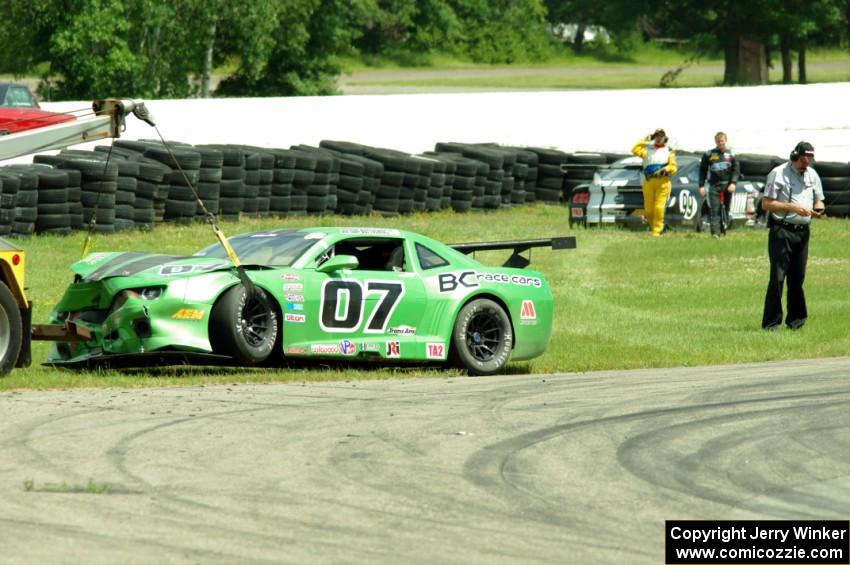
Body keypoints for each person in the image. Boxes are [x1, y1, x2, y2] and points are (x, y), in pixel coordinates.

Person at [761, 141, 825, 330]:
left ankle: (796, 322)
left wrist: (819, 209)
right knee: (778, 277)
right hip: (782, 230)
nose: (807, 164)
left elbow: (819, 199)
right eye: (804, 160)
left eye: (809, 160)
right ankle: (771, 323)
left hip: (803, 232)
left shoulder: (812, 174)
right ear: (794, 156)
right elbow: (766, 203)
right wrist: (792, 207)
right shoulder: (778, 173)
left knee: (798, 278)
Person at [632, 129, 677, 237]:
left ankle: (657, 230)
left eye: (661, 136)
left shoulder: (669, 150)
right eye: (656, 136)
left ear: (664, 138)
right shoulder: (647, 150)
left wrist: (667, 169)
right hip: (648, 181)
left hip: (662, 182)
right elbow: (634, 149)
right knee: (648, 210)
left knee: (659, 207)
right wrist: (646, 139)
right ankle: (654, 228)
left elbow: (674, 167)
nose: (658, 138)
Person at [698, 132, 740, 238]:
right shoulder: (709, 154)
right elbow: (702, 170)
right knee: (714, 210)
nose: (721, 143)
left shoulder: (731, 154)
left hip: (727, 185)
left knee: (725, 209)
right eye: (718, 141)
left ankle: (723, 229)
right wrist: (701, 185)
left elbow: (736, 170)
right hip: (714, 186)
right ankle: (715, 233)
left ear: (726, 141)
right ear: (716, 142)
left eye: (722, 141)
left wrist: (733, 183)